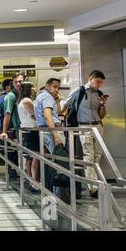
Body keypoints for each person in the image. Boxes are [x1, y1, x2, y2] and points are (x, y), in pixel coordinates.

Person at [62, 70, 108, 199]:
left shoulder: (99, 94)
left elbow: (102, 115)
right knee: (88, 155)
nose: (100, 85)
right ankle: (92, 187)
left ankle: (96, 183)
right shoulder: (79, 91)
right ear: (90, 79)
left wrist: (103, 104)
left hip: (98, 126)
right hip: (84, 126)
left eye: (101, 83)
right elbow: (66, 105)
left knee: (98, 155)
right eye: (98, 81)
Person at [34, 78, 68, 200]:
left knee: (51, 162)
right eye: (54, 87)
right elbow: (48, 116)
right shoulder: (47, 97)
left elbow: (56, 113)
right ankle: (60, 195)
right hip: (51, 131)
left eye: (58, 88)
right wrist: (56, 135)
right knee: (60, 163)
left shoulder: (42, 97)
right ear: (47, 86)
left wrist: (57, 99)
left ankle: (52, 192)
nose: (56, 90)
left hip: (45, 131)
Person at [0, 74, 24, 178]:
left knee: (22, 153)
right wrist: (4, 131)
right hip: (15, 129)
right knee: (15, 152)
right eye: (16, 82)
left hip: (23, 128)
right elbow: (7, 114)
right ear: (12, 84)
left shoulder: (23, 95)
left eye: (21, 81)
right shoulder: (10, 96)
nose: (18, 84)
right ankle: (15, 173)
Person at [17, 82, 40, 190]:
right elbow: (36, 114)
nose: (35, 89)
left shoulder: (21, 101)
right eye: (33, 87)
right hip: (32, 130)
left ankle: (30, 179)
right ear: (28, 89)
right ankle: (34, 181)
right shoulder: (27, 101)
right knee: (35, 156)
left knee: (29, 157)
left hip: (26, 130)